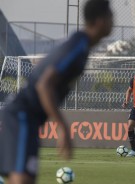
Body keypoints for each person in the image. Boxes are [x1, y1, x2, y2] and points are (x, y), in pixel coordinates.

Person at [0, 0, 113, 183]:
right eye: (111, 16)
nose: (112, 22)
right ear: (100, 21)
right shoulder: (78, 45)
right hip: (22, 115)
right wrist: (62, 127)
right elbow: (44, 85)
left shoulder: (81, 46)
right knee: (22, 180)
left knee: (23, 179)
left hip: (29, 119)